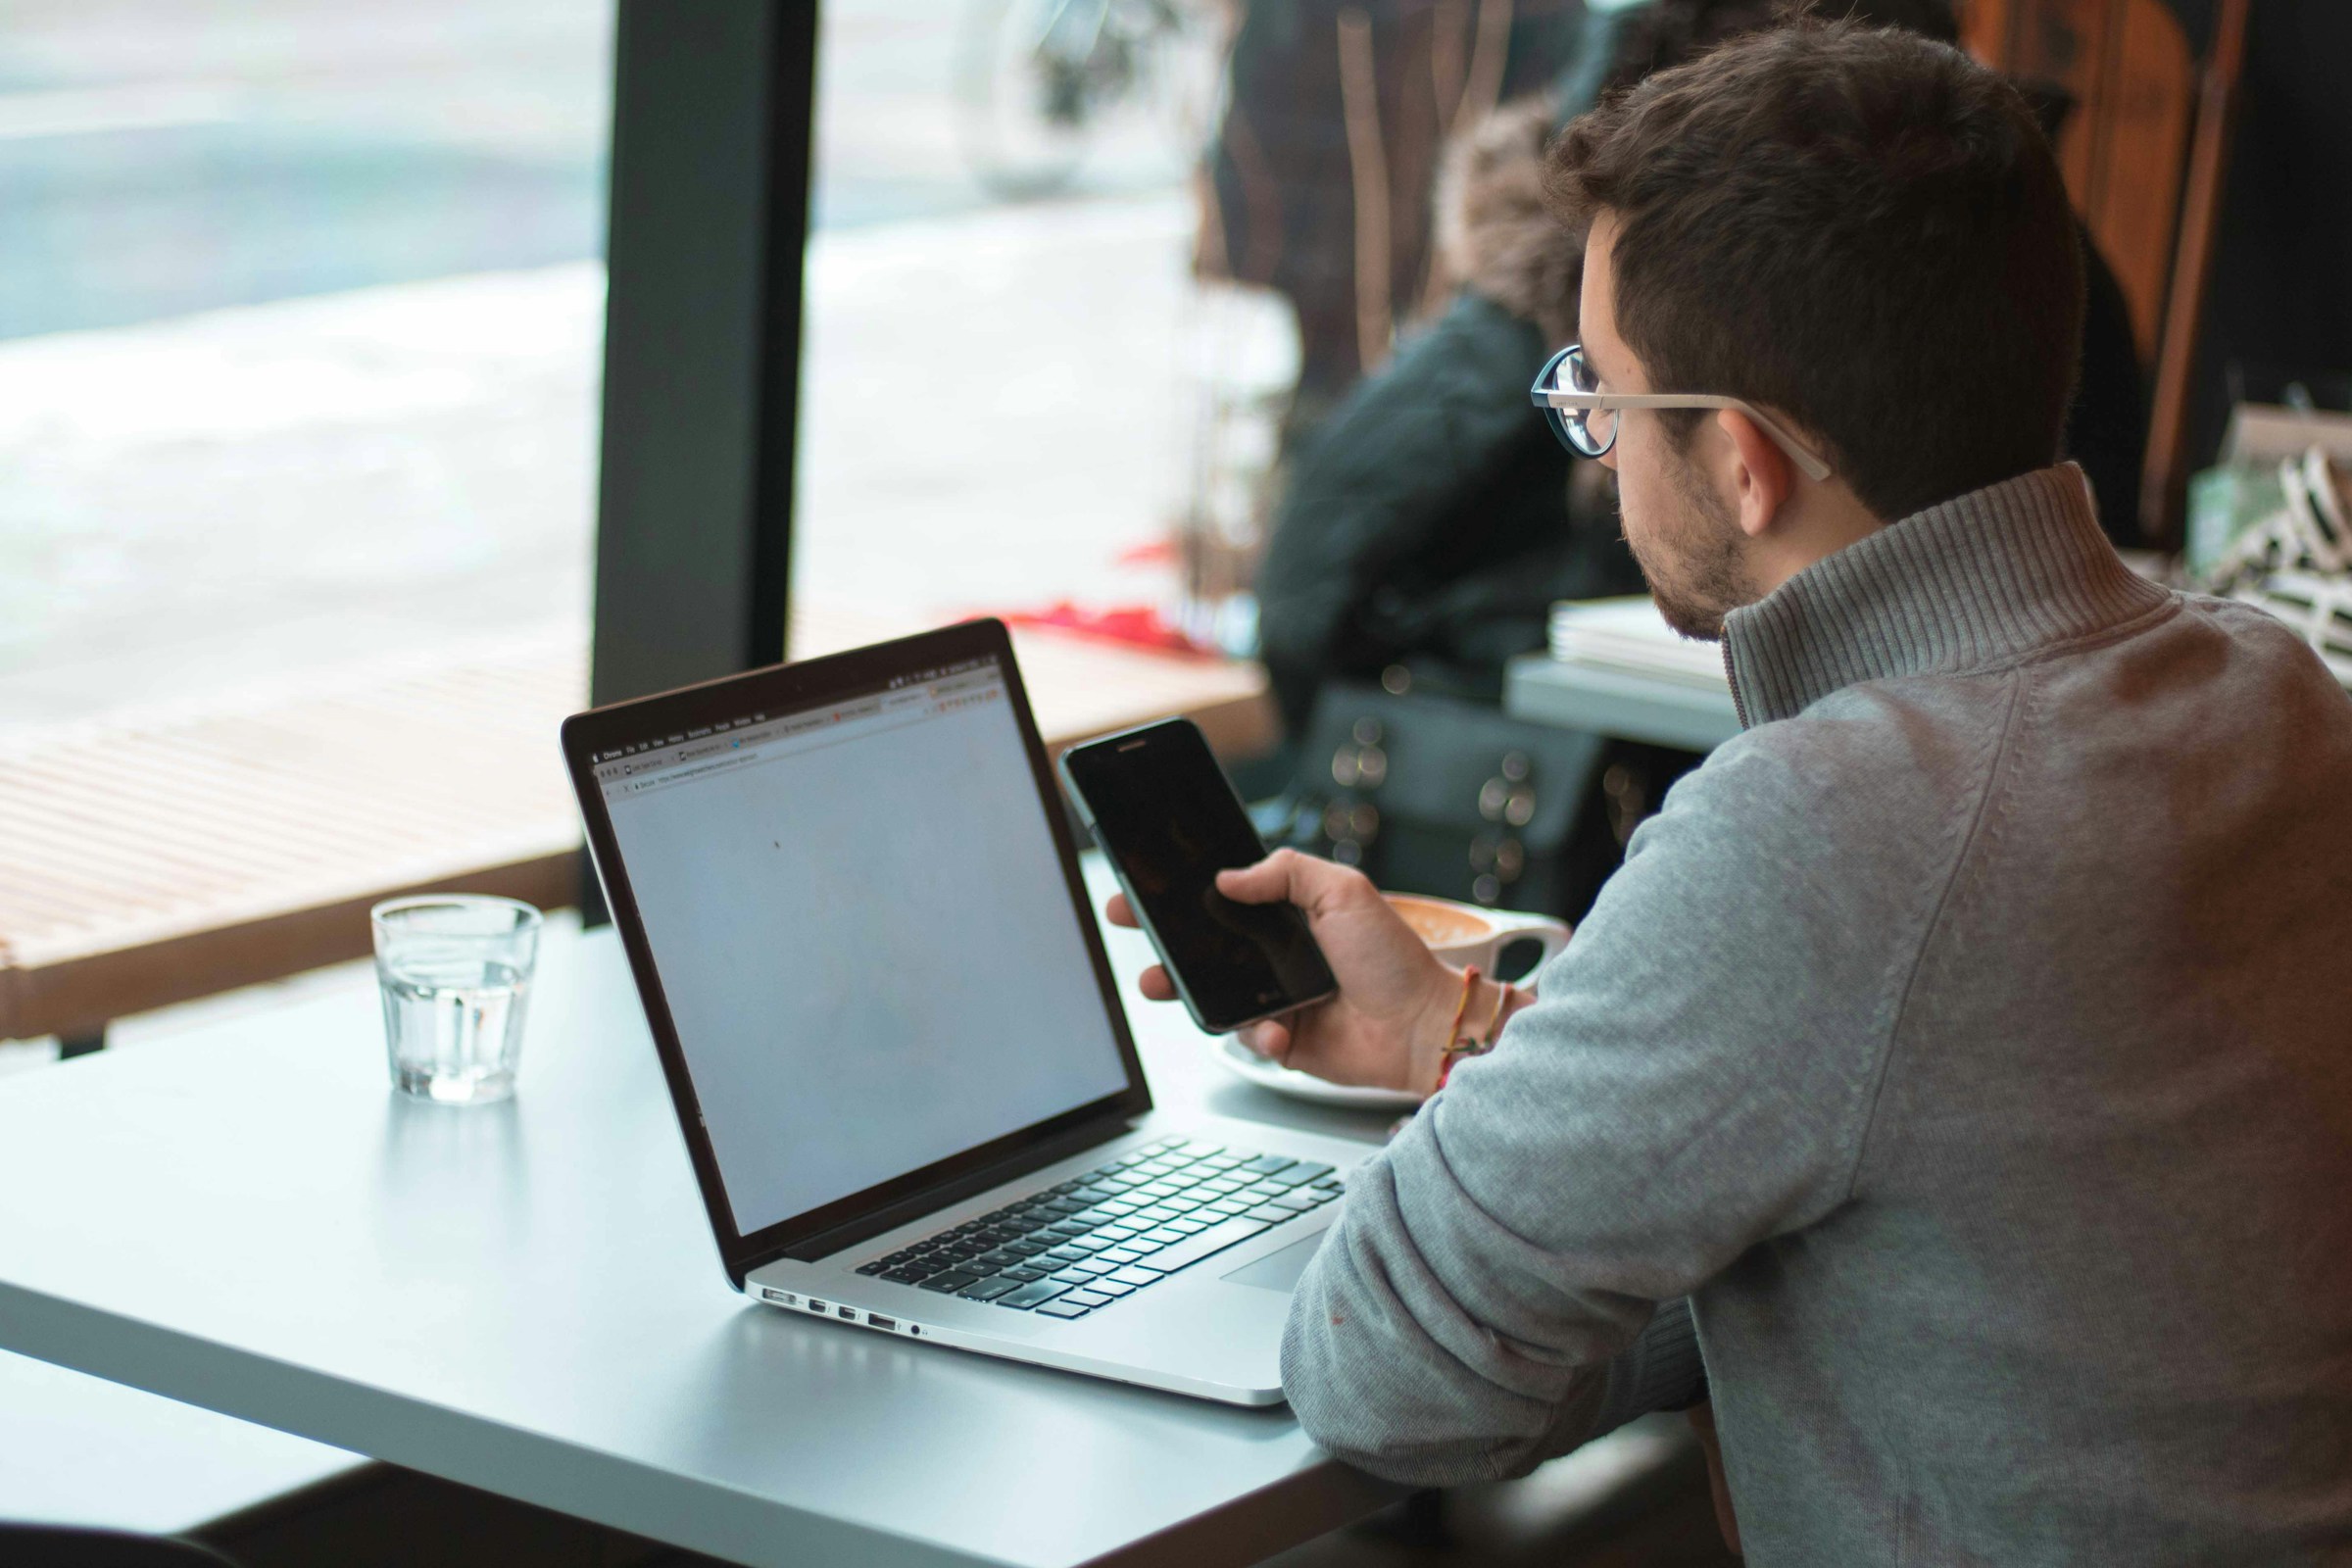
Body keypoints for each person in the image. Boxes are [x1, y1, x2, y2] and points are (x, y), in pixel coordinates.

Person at [1112, 17, 2352, 1561]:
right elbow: (1915, 1183)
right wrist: (1466, 1029)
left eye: (1606, 400)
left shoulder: (1828, 828)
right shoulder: (2274, 693)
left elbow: (1385, 1377)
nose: (1596, 453)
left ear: (1749, 468)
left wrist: (1496, 1126)